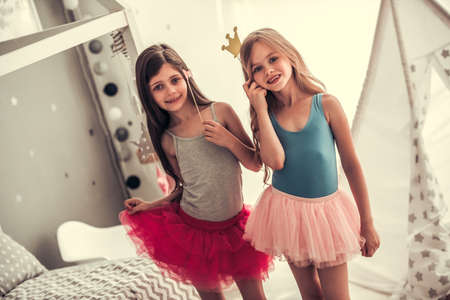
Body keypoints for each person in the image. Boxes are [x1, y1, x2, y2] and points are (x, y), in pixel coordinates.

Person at [119, 44, 272, 300]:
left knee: (255, 296)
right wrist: (149, 205)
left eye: (174, 80)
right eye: (158, 87)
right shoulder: (168, 139)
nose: (170, 91)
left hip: (236, 227)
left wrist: (228, 140)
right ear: (149, 95)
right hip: (194, 233)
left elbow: (256, 163)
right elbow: (182, 188)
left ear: (187, 75)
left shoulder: (220, 112)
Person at [239, 28, 380, 300]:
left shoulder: (326, 105)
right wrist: (259, 109)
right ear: (251, 79)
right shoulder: (265, 116)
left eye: (272, 59)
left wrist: (368, 222)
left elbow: (352, 166)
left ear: (289, 56)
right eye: (257, 68)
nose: (268, 70)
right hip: (286, 213)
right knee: (310, 295)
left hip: (327, 215)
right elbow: (276, 161)